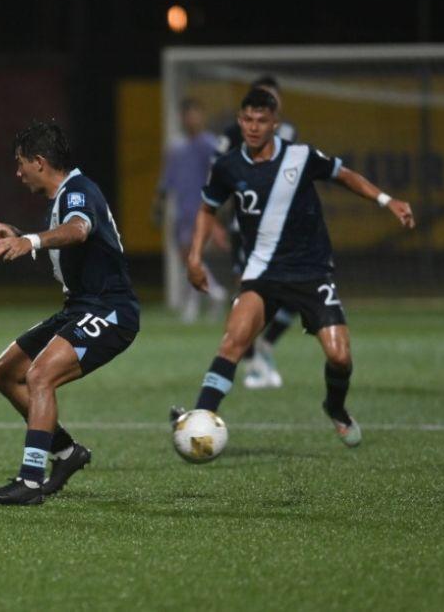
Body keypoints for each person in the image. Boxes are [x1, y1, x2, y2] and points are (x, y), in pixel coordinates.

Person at [177, 87, 415, 448]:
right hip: (262, 274)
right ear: (240, 121)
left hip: (311, 272)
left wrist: (387, 200)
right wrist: (195, 256)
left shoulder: (301, 157)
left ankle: (335, 406)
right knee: (232, 343)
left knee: (339, 355)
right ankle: (199, 420)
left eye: (262, 121)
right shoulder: (228, 167)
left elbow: (345, 175)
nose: (254, 127)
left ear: (275, 124)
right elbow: (208, 208)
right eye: (248, 120)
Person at [0, 121, 139, 506]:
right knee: (4, 373)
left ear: (39, 162)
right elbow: (69, 240)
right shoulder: (64, 198)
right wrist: (23, 235)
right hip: (79, 308)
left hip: (110, 310)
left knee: (39, 376)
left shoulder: (78, 192)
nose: (18, 172)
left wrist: (29, 240)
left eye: (20, 164)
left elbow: (79, 231)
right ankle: (67, 453)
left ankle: (31, 482)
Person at [217, 75, 298, 389]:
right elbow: (218, 175)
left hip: (283, 229)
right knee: (247, 295)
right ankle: (250, 361)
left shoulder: (288, 134)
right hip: (246, 227)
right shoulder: (232, 136)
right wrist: (213, 221)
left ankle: (265, 345)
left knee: (295, 294)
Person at [155, 97, 228, 323]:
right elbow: (167, 180)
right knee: (186, 257)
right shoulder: (176, 147)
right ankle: (209, 295)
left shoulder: (210, 144)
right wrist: (158, 205)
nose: (191, 118)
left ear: (201, 116)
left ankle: (204, 298)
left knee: (191, 257)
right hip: (181, 210)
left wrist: (217, 211)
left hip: (201, 209)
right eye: (187, 114)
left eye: (195, 113)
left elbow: (221, 176)